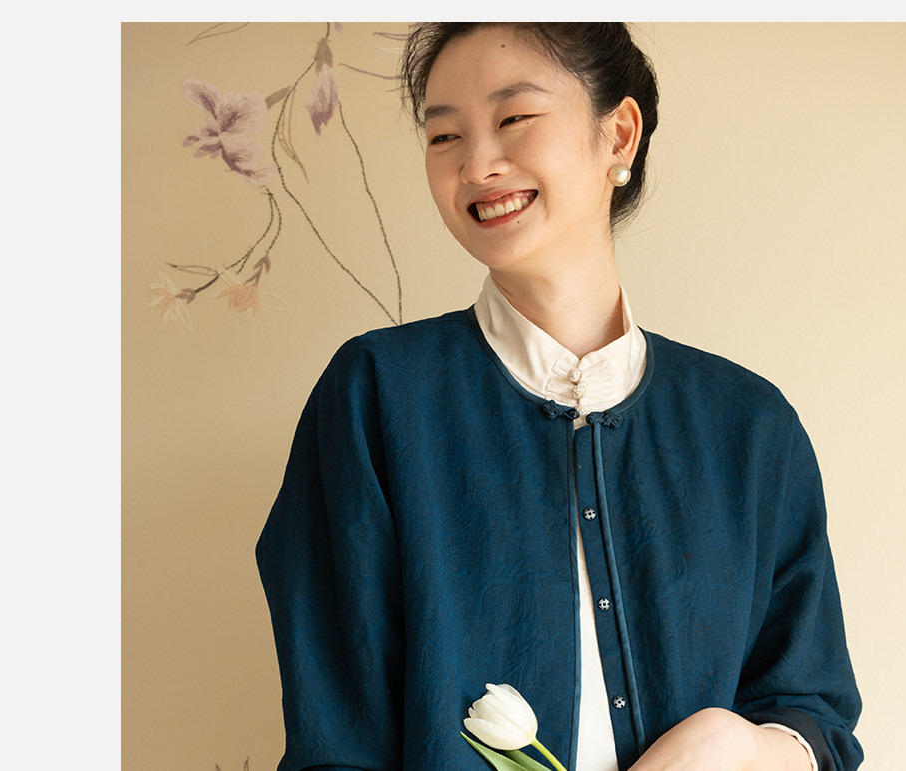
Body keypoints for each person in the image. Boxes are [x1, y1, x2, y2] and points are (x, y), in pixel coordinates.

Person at [257, 22, 862, 771]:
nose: (477, 164)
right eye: (444, 136)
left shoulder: (750, 427)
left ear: (619, 136)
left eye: (514, 117)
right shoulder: (375, 397)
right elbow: (334, 741)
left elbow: (815, 714)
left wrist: (732, 743)